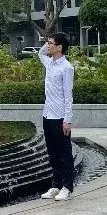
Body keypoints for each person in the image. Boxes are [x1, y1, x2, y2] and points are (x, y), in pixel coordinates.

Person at [39, 33, 75, 201]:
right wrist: (47, 41)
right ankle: (56, 185)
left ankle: (67, 187)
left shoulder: (66, 67)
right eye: (48, 43)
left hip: (60, 117)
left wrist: (67, 120)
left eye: (51, 43)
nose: (48, 46)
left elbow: (68, 96)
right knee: (52, 152)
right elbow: (40, 53)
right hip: (48, 114)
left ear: (60, 47)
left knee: (64, 153)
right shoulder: (49, 63)